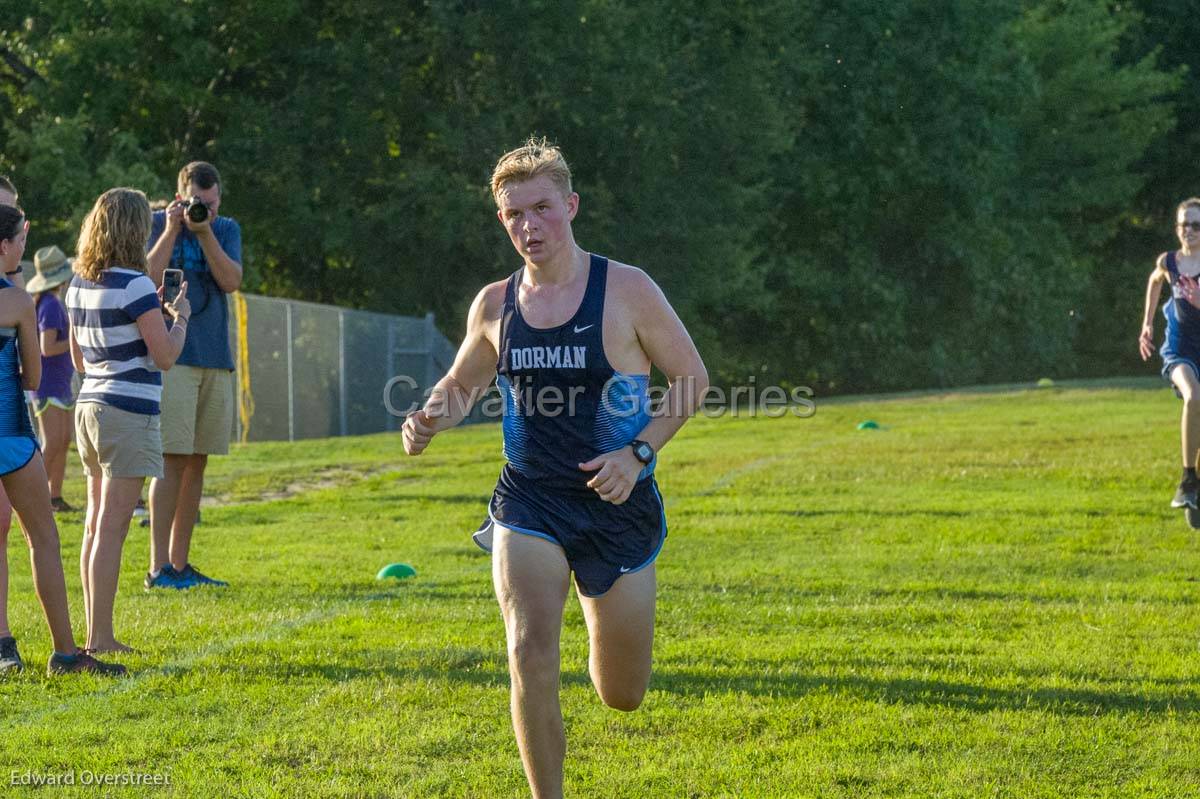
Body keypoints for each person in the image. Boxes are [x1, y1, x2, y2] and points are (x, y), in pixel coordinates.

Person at [401, 138, 708, 799]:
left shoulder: (626, 289)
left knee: (621, 692)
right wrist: (428, 417)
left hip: (616, 504)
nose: (529, 226)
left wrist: (638, 454)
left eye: (541, 208)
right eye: (514, 215)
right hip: (529, 503)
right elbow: (461, 382)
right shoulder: (494, 304)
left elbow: (691, 379)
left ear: (570, 206)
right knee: (528, 650)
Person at [0, 203, 126, 675]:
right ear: (4, 245)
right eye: (20, 243)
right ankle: (65, 653)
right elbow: (33, 375)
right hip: (11, 436)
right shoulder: (15, 301)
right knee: (43, 540)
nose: (22, 252)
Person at [66, 188, 191, 653]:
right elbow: (164, 357)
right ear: (135, 230)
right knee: (114, 526)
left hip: (89, 408)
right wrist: (179, 319)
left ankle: (90, 632)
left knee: (95, 524)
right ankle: (101, 639)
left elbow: (80, 359)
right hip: (127, 411)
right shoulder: (135, 285)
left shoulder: (77, 284)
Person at [145, 162, 241, 589]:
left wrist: (204, 233)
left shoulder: (225, 229)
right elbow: (144, 279)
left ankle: (180, 565)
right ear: (180, 196)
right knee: (170, 459)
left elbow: (231, 280)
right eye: (198, 204)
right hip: (173, 356)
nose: (206, 209)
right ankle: (157, 567)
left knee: (197, 459)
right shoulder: (156, 224)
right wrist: (171, 230)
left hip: (214, 354)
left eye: (212, 203)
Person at [1140, 197, 1200, 510]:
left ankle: (1196, 487)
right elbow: (1154, 281)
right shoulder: (1170, 262)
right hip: (1180, 349)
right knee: (1193, 397)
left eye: (1195, 224)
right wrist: (1147, 324)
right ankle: (1187, 478)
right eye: (1183, 224)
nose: (1188, 230)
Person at [25, 246, 76, 511]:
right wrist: (76, 339)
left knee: (64, 439)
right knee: (53, 441)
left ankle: (54, 496)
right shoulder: (51, 305)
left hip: (60, 381)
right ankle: (36, 498)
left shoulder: (51, 302)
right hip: (48, 384)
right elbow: (48, 347)